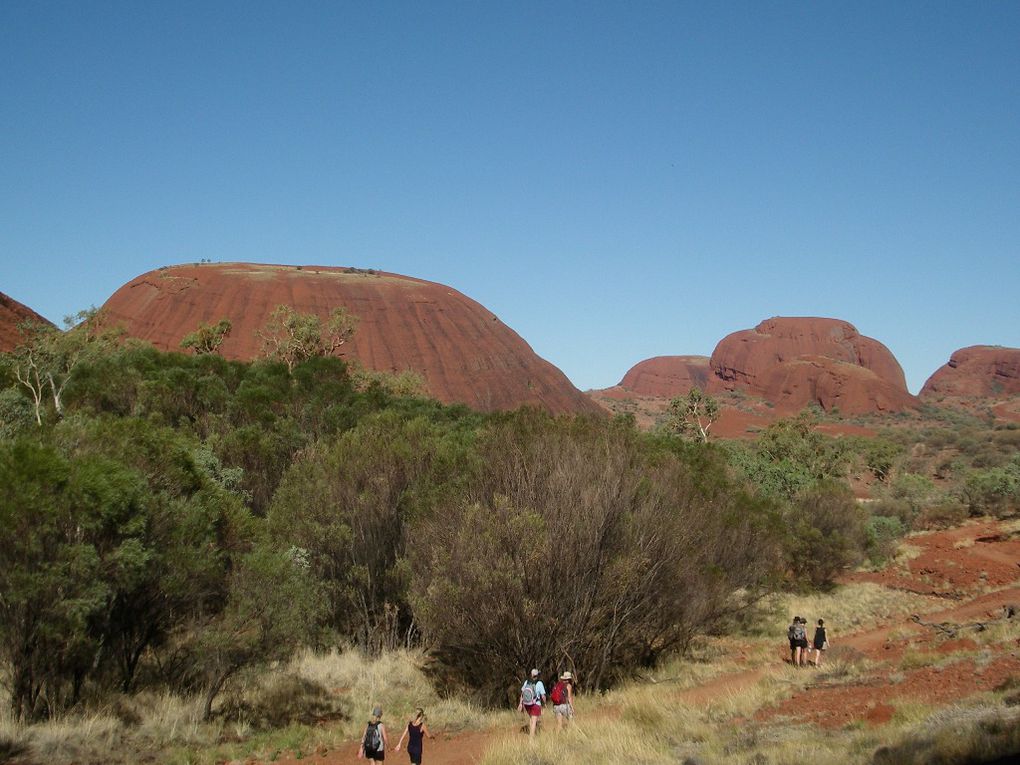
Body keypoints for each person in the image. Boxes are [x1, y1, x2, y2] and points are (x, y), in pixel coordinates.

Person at [517, 668, 546, 738]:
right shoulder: (539, 683)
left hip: (527, 704)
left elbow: (522, 693)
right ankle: (531, 739)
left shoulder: (527, 682)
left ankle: (532, 734)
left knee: (531, 719)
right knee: (534, 721)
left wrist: (520, 703)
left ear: (531, 674)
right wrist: (544, 704)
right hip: (536, 704)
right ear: (537, 675)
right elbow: (543, 696)